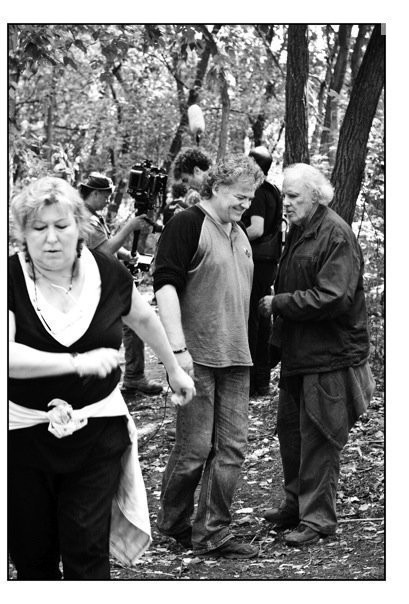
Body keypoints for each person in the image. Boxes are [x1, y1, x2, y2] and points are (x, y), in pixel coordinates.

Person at [8, 176, 195, 580]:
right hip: (21, 438)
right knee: (32, 555)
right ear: (23, 234)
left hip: (97, 432)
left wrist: (174, 367)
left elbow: (142, 317)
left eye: (61, 226)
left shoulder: (107, 272)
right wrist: (76, 362)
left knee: (87, 550)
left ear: (79, 226)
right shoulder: (5, 279)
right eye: (39, 228)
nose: (51, 238)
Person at [153, 154, 264, 559]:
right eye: (240, 196)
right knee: (195, 450)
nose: (245, 205)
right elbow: (165, 286)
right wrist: (176, 352)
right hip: (196, 357)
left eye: (250, 199)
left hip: (237, 357)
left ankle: (212, 532)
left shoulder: (240, 233)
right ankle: (173, 523)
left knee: (232, 449)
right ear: (216, 188)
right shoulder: (187, 224)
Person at [258, 163, 375, 546]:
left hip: (330, 356)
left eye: (293, 196)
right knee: (291, 433)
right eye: (285, 196)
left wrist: (280, 303)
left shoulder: (335, 234)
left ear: (315, 196)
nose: (286, 203)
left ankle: (318, 519)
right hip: (300, 354)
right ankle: (295, 504)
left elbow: (334, 297)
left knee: (320, 437)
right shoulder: (300, 229)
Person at [79, 172, 163, 396]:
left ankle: (133, 376)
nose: (108, 200)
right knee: (110, 332)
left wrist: (127, 255)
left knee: (131, 327)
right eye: (106, 196)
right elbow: (105, 251)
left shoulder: (93, 215)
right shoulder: (85, 219)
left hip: (107, 280)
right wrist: (129, 227)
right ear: (94, 193)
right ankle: (101, 382)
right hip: (97, 284)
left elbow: (105, 244)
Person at [242, 146, 283, 396]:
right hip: (269, 264)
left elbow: (256, 229)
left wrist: (232, 238)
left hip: (257, 262)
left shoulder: (257, 191)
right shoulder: (273, 191)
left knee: (252, 321)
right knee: (262, 319)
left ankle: (250, 382)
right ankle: (262, 380)